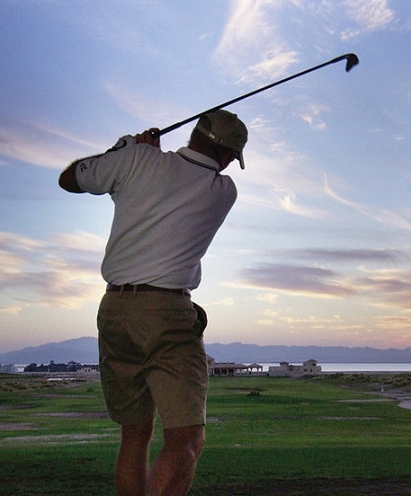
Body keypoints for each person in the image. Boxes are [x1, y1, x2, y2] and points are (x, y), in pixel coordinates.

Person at [58, 109, 247, 496]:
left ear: (193, 135)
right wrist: (137, 157)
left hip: (114, 310)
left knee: (135, 433)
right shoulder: (223, 191)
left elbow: (69, 179)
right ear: (228, 156)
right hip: (166, 314)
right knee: (187, 438)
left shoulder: (136, 160)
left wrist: (123, 151)